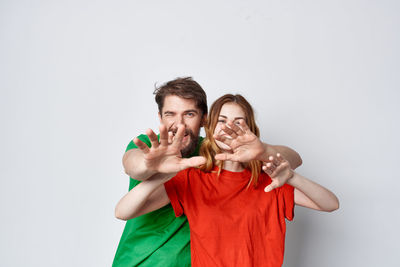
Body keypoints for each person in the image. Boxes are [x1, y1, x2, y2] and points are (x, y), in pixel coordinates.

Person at [115, 94, 339, 267]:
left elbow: (331, 204)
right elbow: (123, 211)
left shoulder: (268, 181)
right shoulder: (194, 179)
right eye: (222, 120)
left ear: (250, 131)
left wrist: (291, 176)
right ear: (210, 129)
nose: (229, 127)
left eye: (238, 121)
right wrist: (162, 176)